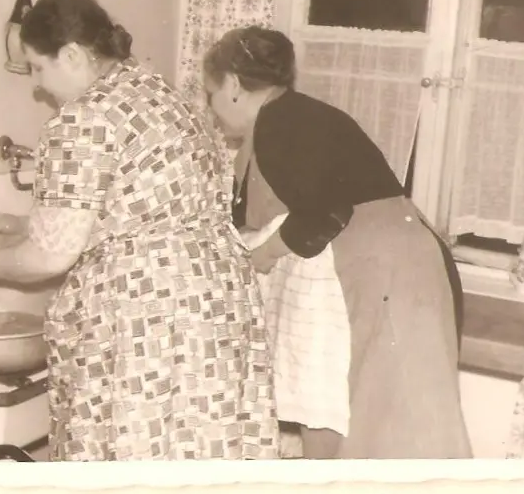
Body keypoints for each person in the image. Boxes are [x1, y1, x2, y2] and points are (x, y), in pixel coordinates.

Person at [0, 0, 280, 462]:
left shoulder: (81, 119)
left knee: (135, 451)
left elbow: (52, 255)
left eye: (38, 67)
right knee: (198, 446)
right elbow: (134, 212)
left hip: (147, 311)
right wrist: (20, 226)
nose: (37, 85)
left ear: (72, 55)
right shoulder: (158, 92)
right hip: (214, 298)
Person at [201, 25, 472, 460]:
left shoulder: (280, 124)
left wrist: (265, 254)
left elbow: (325, 210)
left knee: (396, 423)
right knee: (373, 415)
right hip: (391, 259)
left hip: (390, 269)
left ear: (233, 85)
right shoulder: (287, 117)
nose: (210, 108)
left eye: (210, 93)